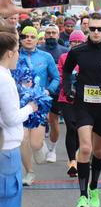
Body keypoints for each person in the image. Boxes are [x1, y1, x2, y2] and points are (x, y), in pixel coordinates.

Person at [62, 12, 101, 207]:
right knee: (86, 148)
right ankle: (82, 196)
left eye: (100, 29)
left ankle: (94, 187)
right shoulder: (78, 51)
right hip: (84, 105)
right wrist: (67, 88)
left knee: (98, 151)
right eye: (93, 29)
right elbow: (66, 70)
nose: (96, 32)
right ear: (87, 29)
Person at [0, 25, 38, 207]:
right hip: (6, 149)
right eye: (16, 50)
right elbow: (13, 118)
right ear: (10, 53)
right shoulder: (4, 78)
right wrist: (32, 107)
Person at [17, 25, 60, 184]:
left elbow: (56, 78)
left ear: (37, 39)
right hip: (20, 103)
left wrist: (49, 91)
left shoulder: (46, 56)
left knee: (35, 143)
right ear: (21, 39)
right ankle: (29, 172)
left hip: (39, 103)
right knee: (22, 139)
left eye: (32, 36)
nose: (28, 39)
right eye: (25, 36)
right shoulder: (13, 55)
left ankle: (40, 147)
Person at [56, 30, 87, 177]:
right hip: (66, 97)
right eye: (73, 41)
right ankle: (72, 161)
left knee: (81, 129)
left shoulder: (87, 57)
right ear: (69, 42)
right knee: (71, 127)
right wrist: (68, 87)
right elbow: (60, 75)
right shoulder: (64, 57)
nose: (76, 44)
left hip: (83, 98)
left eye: (79, 42)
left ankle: (79, 155)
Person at [39, 24, 68, 163]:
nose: (50, 35)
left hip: (57, 91)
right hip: (40, 92)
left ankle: (53, 149)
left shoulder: (64, 52)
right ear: (44, 35)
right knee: (39, 120)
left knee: (53, 120)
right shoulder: (38, 50)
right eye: (48, 33)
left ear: (58, 35)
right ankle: (40, 144)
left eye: (53, 33)